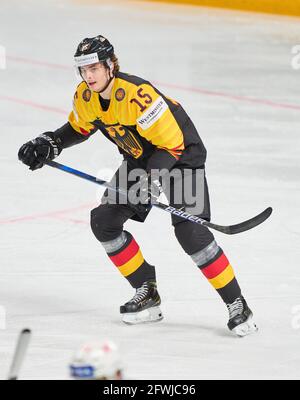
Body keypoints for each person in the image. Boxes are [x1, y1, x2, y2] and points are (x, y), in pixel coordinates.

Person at [18, 35, 257, 336]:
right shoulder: (85, 96)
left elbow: (172, 146)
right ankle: (147, 291)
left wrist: (149, 179)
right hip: (141, 161)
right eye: (83, 69)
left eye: (94, 68)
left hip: (181, 157)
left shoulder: (136, 95)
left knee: (191, 232)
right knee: (104, 222)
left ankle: (238, 304)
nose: (88, 75)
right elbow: (79, 127)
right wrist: (51, 143)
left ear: (110, 65)